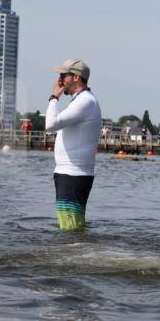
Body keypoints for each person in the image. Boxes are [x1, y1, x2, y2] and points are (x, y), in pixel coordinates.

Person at [46, 59, 102, 231]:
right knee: (70, 227)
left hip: (73, 174)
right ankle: (75, 254)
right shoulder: (81, 100)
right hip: (70, 173)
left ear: (76, 77)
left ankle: (75, 256)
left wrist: (54, 97)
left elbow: (50, 124)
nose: (60, 80)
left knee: (70, 229)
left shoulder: (85, 101)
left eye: (64, 75)